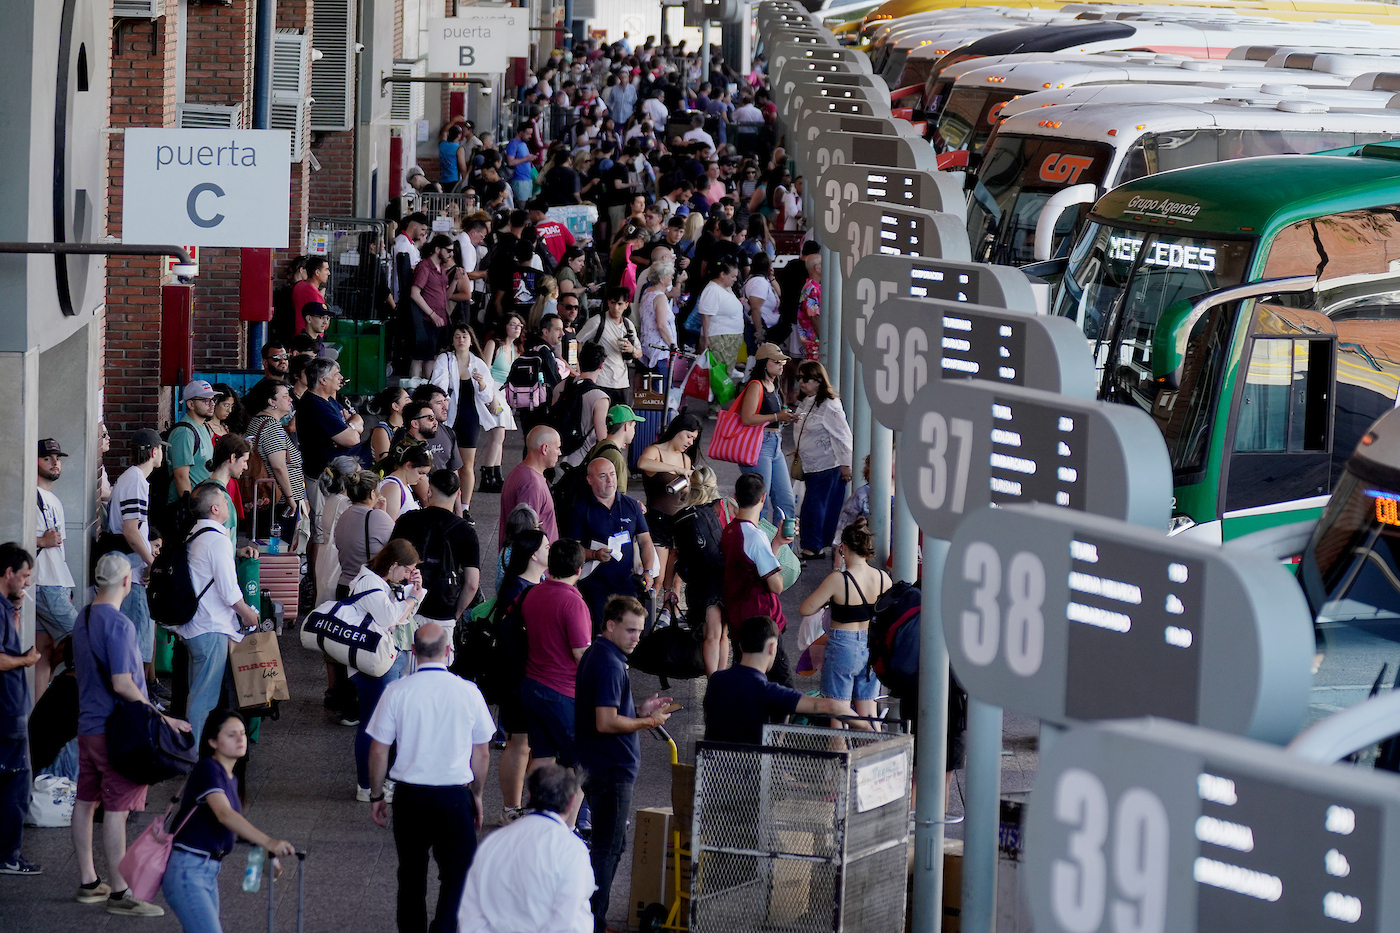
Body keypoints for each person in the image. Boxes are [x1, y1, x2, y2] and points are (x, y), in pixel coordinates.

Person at [73, 552, 192, 917]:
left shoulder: (83, 617)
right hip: (117, 732)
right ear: (127, 582)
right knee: (117, 809)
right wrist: (162, 717)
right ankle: (121, 892)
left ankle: (90, 882)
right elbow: (124, 683)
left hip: (88, 726)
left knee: (85, 802)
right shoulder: (121, 624)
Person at [367, 622, 494, 933]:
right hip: (453, 796)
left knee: (411, 873)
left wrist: (376, 795)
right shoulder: (468, 692)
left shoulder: (396, 692)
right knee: (459, 872)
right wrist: (476, 794)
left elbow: (379, 751)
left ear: (413, 651)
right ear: (448, 651)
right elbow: (482, 753)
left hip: (410, 796)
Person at [575, 596, 672, 933]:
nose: (636, 638)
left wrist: (639, 711)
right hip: (610, 770)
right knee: (607, 847)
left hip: (601, 765)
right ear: (611, 625)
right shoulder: (609, 663)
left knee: (609, 845)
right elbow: (604, 722)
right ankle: (593, 923)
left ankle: (589, 919)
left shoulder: (602, 655)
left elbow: (609, 713)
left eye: (640, 632)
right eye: (630, 630)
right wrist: (649, 722)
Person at [162, 711, 297, 932]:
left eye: (243, 733)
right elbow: (224, 814)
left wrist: (264, 852)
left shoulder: (230, 778)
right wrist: (268, 842)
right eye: (231, 734)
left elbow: (232, 826)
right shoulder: (207, 768)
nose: (240, 739)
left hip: (205, 871)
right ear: (213, 741)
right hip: (188, 870)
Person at [458, 763, 594, 933]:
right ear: (571, 802)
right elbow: (566, 919)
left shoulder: (492, 842)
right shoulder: (572, 849)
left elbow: (471, 912)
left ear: (529, 795)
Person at [176, 483, 260, 740]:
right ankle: (191, 755)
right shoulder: (217, 540)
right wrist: (248, 614)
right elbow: (229, 591)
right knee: (204, 699)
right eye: (224, 502)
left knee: (198, 692)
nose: (228, 505)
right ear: (214, 509)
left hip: (194, 626)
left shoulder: (193, 535)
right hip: (210, 627)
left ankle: (195, 749)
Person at [349, 539, 426, 801]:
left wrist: (414, 589)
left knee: (378, 723)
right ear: (394, 565)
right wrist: (413, 595)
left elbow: (400, 615)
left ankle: (373, 783)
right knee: (374, 724)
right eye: (406, 570)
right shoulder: (370, 583)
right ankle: (368, 785)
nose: (407, 574)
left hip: (380, 659)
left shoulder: (378, 582)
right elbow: (391, 618)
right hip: (374, 662)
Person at [798, 518, 891, 728]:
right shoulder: (883, 578)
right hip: (871, 646)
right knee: (868, 712)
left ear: (843, 548)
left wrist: (835, 571)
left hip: (843, 646)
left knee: (838, 710)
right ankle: (874, 755)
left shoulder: (838, 580)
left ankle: (840, 758)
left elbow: (805, 609)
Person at [704, 615, 854, 745]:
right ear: (772, 647)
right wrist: (866, 727)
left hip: (712, 771)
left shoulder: (717, 680)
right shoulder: (768, 692)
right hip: (750, 773)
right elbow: (832, 706)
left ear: (741, 646)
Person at [519, 540, 592, 793]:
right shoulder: (574, 603)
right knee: (580, 762)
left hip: (531, 686)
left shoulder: (532, 593)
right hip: (561, 693)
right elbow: (581, 653)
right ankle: (570, 825)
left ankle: (531, 811)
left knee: (542, 756)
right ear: (580, 569)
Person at [563, 456, 657, 631]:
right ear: (589, 480)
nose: (610, 480)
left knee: (630, 629)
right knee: (602, 630)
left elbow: (646, 542)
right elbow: (571, 550)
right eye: (603, 476)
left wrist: (648, 571)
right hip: (594, 584)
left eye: (612, 474)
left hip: (626, 582)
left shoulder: (631, 506)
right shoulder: (580, 509)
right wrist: (594, 554)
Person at [493, 528, 548, 822]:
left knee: (528, 743)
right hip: (519, 678)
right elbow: (514, 640)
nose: (550, 549)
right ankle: (511, 809)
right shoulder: (520, 590)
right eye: (547, 545)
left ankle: (521, 806)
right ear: (534, 554)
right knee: (520, 743)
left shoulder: (528, 585)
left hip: (524, 677)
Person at [722, 473, 797, 685]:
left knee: (746, 684)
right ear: (763, 498)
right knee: (783, 686)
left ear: (735, 496)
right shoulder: (754, 536)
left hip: (739, 621)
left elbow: (750, 566)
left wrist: (777, 543)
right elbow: (776, 585)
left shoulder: (730, 530)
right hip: (762, 623)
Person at [106, 429, 164, 695]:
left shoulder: (132, 479)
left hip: (127, 565)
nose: (162, 454)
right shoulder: (136, 481)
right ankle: (138, 702)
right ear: (153, 452)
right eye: (161, 449)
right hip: (131, 568)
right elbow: (130, 530)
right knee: (137, 642)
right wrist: (150, 561)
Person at [391, 469, 481, 637]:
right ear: (458, 494)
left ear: (429, 491)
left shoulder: (407, 520)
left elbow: (390, 562)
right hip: (443, 611)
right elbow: (472, 584)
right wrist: (455, 614)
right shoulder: (466, 531)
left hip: (406, 606)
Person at [298, 358, 365, 561]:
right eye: (337, 374)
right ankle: (315, 581)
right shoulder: (315, 405)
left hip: (334, 477)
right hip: (320, 476)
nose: (341, 378)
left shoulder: (329, 401)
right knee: (322, 531)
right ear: (322, 380)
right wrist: (350, 430)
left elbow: (357, 419)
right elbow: (352, 437)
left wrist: (350, 427)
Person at [0, 544, 41, 877]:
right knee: (16, 783)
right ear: (8, 573)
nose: (27, 583)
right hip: (6, 708)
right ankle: (8, 855)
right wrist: (27, 660)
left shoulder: (4, 606)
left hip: (10, 706)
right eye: (24, 575)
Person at [670, 467, 730, 675]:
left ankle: (714, 684)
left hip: (702, 584)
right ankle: (721, 684)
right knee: (722, 634)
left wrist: (672, 588)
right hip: (726, 577)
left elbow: (677, 556)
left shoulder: (682, 518)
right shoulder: (726, 507)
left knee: (710, 635)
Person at [793, 361, 853, 559]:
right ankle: (816, 544)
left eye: (806, 379)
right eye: (799, 378)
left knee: (814, 506)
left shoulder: (830, 405)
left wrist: (846, 464)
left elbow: (843, 436)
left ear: (818, 381)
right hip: (812, 465)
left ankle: (812, 545)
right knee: (814, 506)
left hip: (827, 465)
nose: (801, 382)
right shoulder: (808, 401)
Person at [636, 413, 699, 597]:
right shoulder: (655, 451)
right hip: (658, 521)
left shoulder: (685, 458)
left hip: (680, 523)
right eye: (688, 436)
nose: (690, 442)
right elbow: (642, 463)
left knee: (674, 581)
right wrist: (677, 470)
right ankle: (647, 619)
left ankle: (667, 614)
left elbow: (685, 493)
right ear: (678, 430)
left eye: (694, 439)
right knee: (657, 577)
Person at [33, 438, 76, 704]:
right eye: (47, 458)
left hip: (55, 582)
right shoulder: (30, 496)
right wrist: (41, 541)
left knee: (45, 651)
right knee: (85, 641)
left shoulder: (53, 499)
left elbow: (59, 550)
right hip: (43, 584)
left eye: (57, 458)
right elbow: (12, 537)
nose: (55, 463)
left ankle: (35, 718)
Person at [738, 343, 798, 525]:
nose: (781, 365)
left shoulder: (773, 384)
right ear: (765, 363)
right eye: (777, 361)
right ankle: (759, 548)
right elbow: (746, 418)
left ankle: (784, 551)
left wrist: (784, 417)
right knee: (759, 503)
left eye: (783, 362)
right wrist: (776, 416)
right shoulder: (756, 385)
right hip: (759, 443)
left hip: (774, 443)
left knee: (785, 501)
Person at [431, 324, 489, 510]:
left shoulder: (478, 363)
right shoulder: (445, 359)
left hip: (469, 417)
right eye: (457, 336)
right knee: (447, 464)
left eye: (464, 336)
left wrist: (481, 384)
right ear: (452, 341)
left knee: (467, 465)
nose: (461, 340)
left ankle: (464, 508)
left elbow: (488, 397)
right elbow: (437, 388)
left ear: (471, 340)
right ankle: (448, 504)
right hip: (448, 417)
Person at [244, 380, 306, 548]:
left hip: (267, 498)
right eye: (285, 396)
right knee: (276, 548)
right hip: (277, 503)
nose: (290, 399)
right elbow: (278, 466)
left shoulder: (258, 421)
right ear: (271, 402)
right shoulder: (271, 427)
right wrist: (290, 497)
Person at [575, 287, 642, 406]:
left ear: (626, 305)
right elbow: (577, 342)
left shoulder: (628, 325)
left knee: (620, 421)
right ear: (608, 303)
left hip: (622, 383)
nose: (616, 308)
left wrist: (631, 349)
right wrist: (579, 367)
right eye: (613, 303)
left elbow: (639, 353)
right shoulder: (597, 321)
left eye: (620, 304)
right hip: (600, 380)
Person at [335, 469, 395, 597]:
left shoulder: (344, 516)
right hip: (367, 589)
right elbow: (397, 548)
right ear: (372, 494)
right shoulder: (377, 517)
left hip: (344, 586)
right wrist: (382, 513)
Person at [553, 343, 613, 472]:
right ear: (601, 365)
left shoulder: (561, 386)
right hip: (581, 460)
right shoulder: (600, 398)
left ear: (579, 361)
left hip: (554, 455)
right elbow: (601, 438)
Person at [499, 426, 561, 547]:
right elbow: (526, 536)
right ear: (545, 449)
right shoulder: (532, 484)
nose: (560, 452)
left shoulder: (521, 472)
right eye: (557, 448)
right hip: (534, 564)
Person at [696, 260, 744, 397]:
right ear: (722, 274)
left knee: (725, 372)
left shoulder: (726, 288)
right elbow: (706, 316)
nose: (735, 279)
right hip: (718, 337)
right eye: (733, 276)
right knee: (719, 373)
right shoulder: (712, 289)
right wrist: (706, 338)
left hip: (730, 336)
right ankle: (715, 405)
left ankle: (719, 403)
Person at [410, 235, 454, 378]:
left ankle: (429, 388)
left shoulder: (441, 268)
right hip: (426, 319)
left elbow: (444, 296)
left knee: (433, 356)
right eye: (448, 250)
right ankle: (417, 389)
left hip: (440, 318)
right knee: (421, 357)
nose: (451, 254)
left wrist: (455, 281)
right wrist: (432, 314)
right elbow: (415, 293)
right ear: (437, 249)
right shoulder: (425, 266)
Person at [169, 380, 218, 506]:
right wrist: (191, 508)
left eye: (213, 399)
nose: (212, 404)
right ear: (191, 404)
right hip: (189, 508)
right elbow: (181, 476)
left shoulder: (203, 427)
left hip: (204, 504)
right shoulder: (185, 432)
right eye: (206, 400)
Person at [586, 404, 644, 495]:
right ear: (626, 426)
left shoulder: (599, 446)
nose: (634, 431)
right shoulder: (615, 456)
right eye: (633, 426)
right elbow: (620, 496)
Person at [381, 442, 432, 522]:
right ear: (408, 466)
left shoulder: (405, 485)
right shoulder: (393, 488)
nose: (422, 478)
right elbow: (388, 525)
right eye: (420, 473)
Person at [368, 385, 409, 463]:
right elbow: (384, 463)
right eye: (407, 400)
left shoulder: (405, 427)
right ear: (395, 406)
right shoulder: (381, 431)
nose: (411, 402)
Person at [505, 124, 537, 206]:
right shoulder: (513, 144)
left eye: (531, 134)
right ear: (521, 133)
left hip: (527, 178)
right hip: (519, 179)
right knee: (521, 204)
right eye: (528, 134)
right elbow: (510, 162)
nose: (529, 136)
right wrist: (526, 159)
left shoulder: (523, 144)